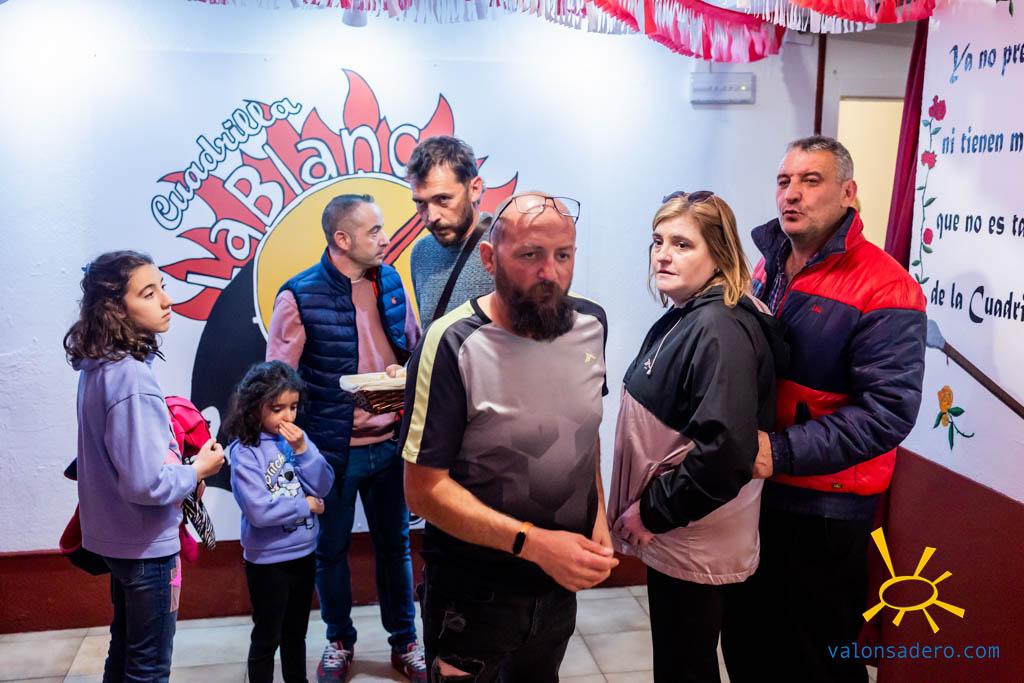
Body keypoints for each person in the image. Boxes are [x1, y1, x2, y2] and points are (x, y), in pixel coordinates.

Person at [400, 192, 619, 682]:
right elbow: (423, 490)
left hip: (557, 591)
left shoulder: (592, 324)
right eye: (530, 255)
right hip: (473, 596)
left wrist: (598, 513)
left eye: (563, 255)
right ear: (489, 258)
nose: (550, 272)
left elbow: (584, 429)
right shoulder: (452, 342)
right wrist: (535, 544)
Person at [732, 136, 927, 682]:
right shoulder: (769, 265)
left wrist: (780, 451)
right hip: (759, 491)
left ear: (847, 193)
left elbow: (887, 412)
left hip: (825, 509)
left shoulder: (887, 288)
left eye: (810, 181)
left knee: (815, 659)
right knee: (749, 646)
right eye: (784, 181)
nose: (791, 194)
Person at [608, 192, 786, 683]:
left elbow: (727, 452)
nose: (663, 255)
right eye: (658, 241)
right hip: (683, 534)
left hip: (692, 536)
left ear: (719, 254)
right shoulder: (694, 312)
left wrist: (651, 511)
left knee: (684, 667)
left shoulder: (718, 326)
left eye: (682, 244)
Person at [266, 195, 425, 682]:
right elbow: (277, 382)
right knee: (329, 551)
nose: (385, 239)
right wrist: (292, 450)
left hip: (391, 444)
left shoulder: (391, 282)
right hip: (330, 453)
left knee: (396, 547)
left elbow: (414, 347)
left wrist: (404, 370)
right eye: (374, 231)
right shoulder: (298, 296)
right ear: (342, 239)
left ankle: (406, 642)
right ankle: (339, 641)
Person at [64, 250, 225, 682]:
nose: (167, 301)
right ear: (116, 308)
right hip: (147, 548)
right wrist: (199, 469)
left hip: (118, 540)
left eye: (162, 288)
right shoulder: (131, 379)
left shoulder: (100, 366)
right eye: (148, 293)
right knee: (149, 668)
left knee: (124, 652)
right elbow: (145, 483)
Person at [224, 361, 335, 683]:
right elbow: (259, 512)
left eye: (293, 407)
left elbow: (324, 484)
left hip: (304, 554)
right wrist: (305, 505)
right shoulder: (245, 452)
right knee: (266, 637)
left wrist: (303, 450)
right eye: (277, 408)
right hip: (267, 563)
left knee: (295, 634)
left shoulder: (298, 441)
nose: (288, 416)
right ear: (254, 407)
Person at [406, 135, 495, 329]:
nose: (431, 216)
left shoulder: (506, 245)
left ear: (474, 189)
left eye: (443, 199)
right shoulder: (421, 253)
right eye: (420, 202)